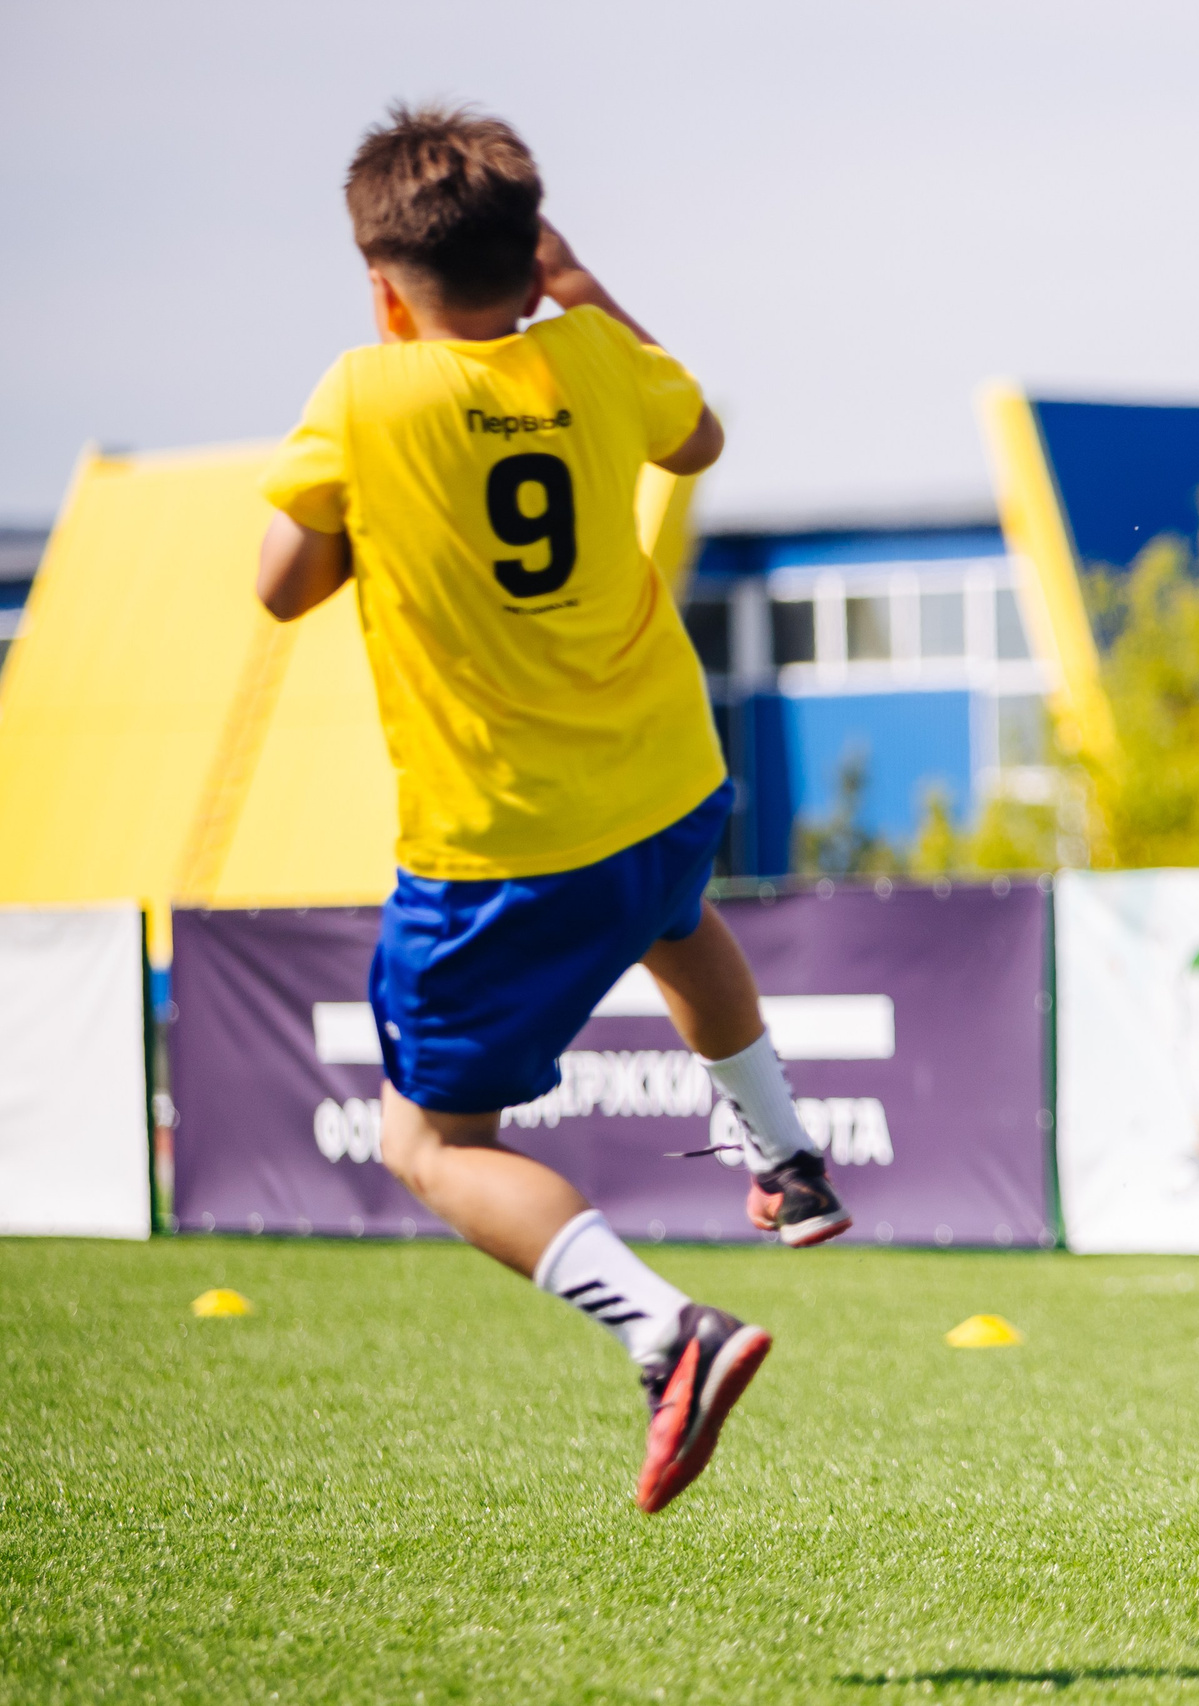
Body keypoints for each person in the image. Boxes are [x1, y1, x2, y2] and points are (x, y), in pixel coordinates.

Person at [255, 104, 855, 1514]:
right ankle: (785, 1156)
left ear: (382, 283)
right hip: (664, 783)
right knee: (678, 919)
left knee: (429, 1143)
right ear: (536, 249)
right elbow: (696, 438)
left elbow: (282, 582)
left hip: (502, 845)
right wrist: (578, 292)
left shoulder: (359, 393)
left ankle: (667, 1333)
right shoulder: (591, 350)